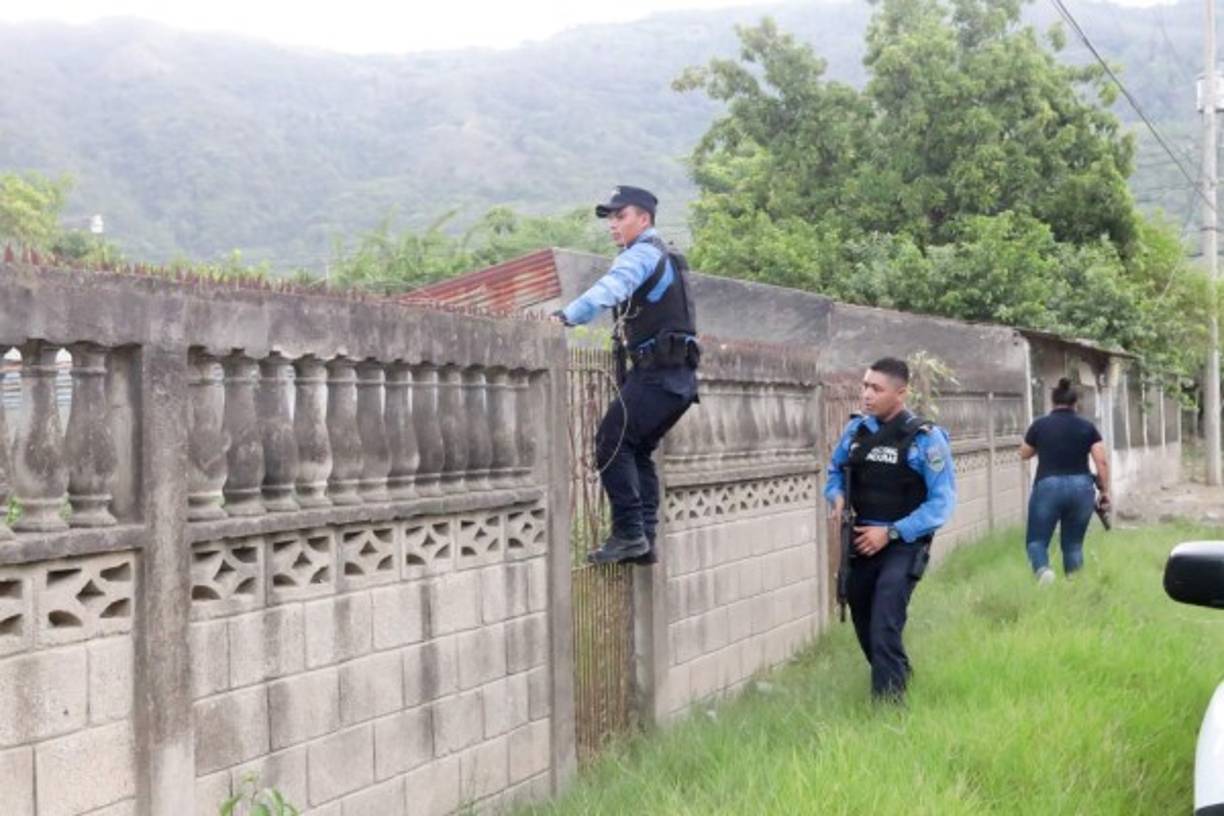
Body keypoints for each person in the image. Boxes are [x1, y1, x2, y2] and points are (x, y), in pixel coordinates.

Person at [553, 185, 699, 566]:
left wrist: (565, 316)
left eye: (621, 216)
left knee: (610, 443)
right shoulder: (666, 255)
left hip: (658, 375)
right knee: (636, 450)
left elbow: (611, 288)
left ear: (644, 219)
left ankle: (630, 534)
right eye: (610, 218)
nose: (613, 225)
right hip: (677, 379)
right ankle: (644, 539)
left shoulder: (643, 255)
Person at [824, 357, 957, 700]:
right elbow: (835, 470)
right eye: (865, 386)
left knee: (885, 623)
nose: (866, 394)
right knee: (865, 625)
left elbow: (941, 503)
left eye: (876, 388)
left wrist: (892, 532)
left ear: (901, 393)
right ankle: (900, 680)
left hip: (903, 544)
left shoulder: (926, 440)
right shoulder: (856, 432)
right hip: (861, 540)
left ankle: (889, 711)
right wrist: (836, 497)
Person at [1019, 377, 1110, 584]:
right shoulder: (1088, 427)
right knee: (1073, 545)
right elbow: (1101, 461)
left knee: (1036, 541)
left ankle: (1043, 572)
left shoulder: (1040, 426)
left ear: (1053, 402)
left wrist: (1036, 443)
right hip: (1081, 487)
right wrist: (1104, 492)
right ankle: (1074, 588)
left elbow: (1024, 453)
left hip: (1048, 487)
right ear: (1075, 403)